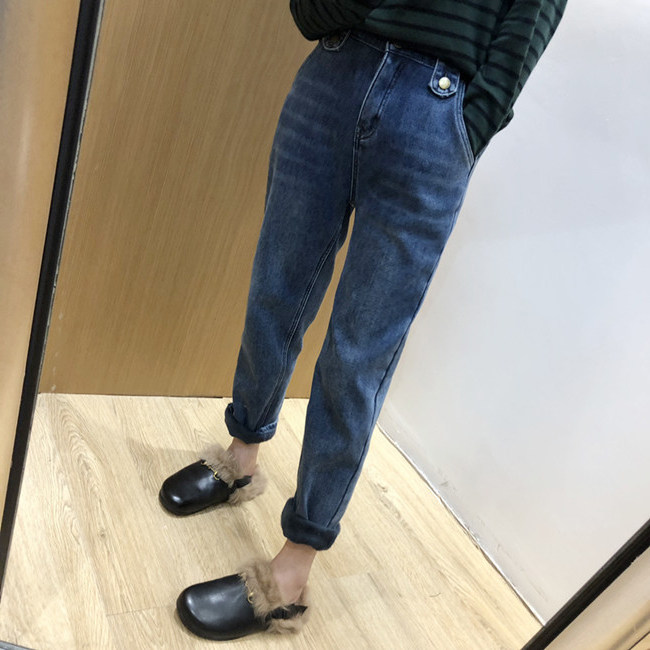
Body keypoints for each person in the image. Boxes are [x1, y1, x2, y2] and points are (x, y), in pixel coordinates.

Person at [159, 0, 568, 641]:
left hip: (437, 112)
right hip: (332, 74)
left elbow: (529, 21)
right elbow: (308, 11)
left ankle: (291, 574)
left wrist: (468, 125)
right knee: (275, 293)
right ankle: (241, 457)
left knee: (357, 354)